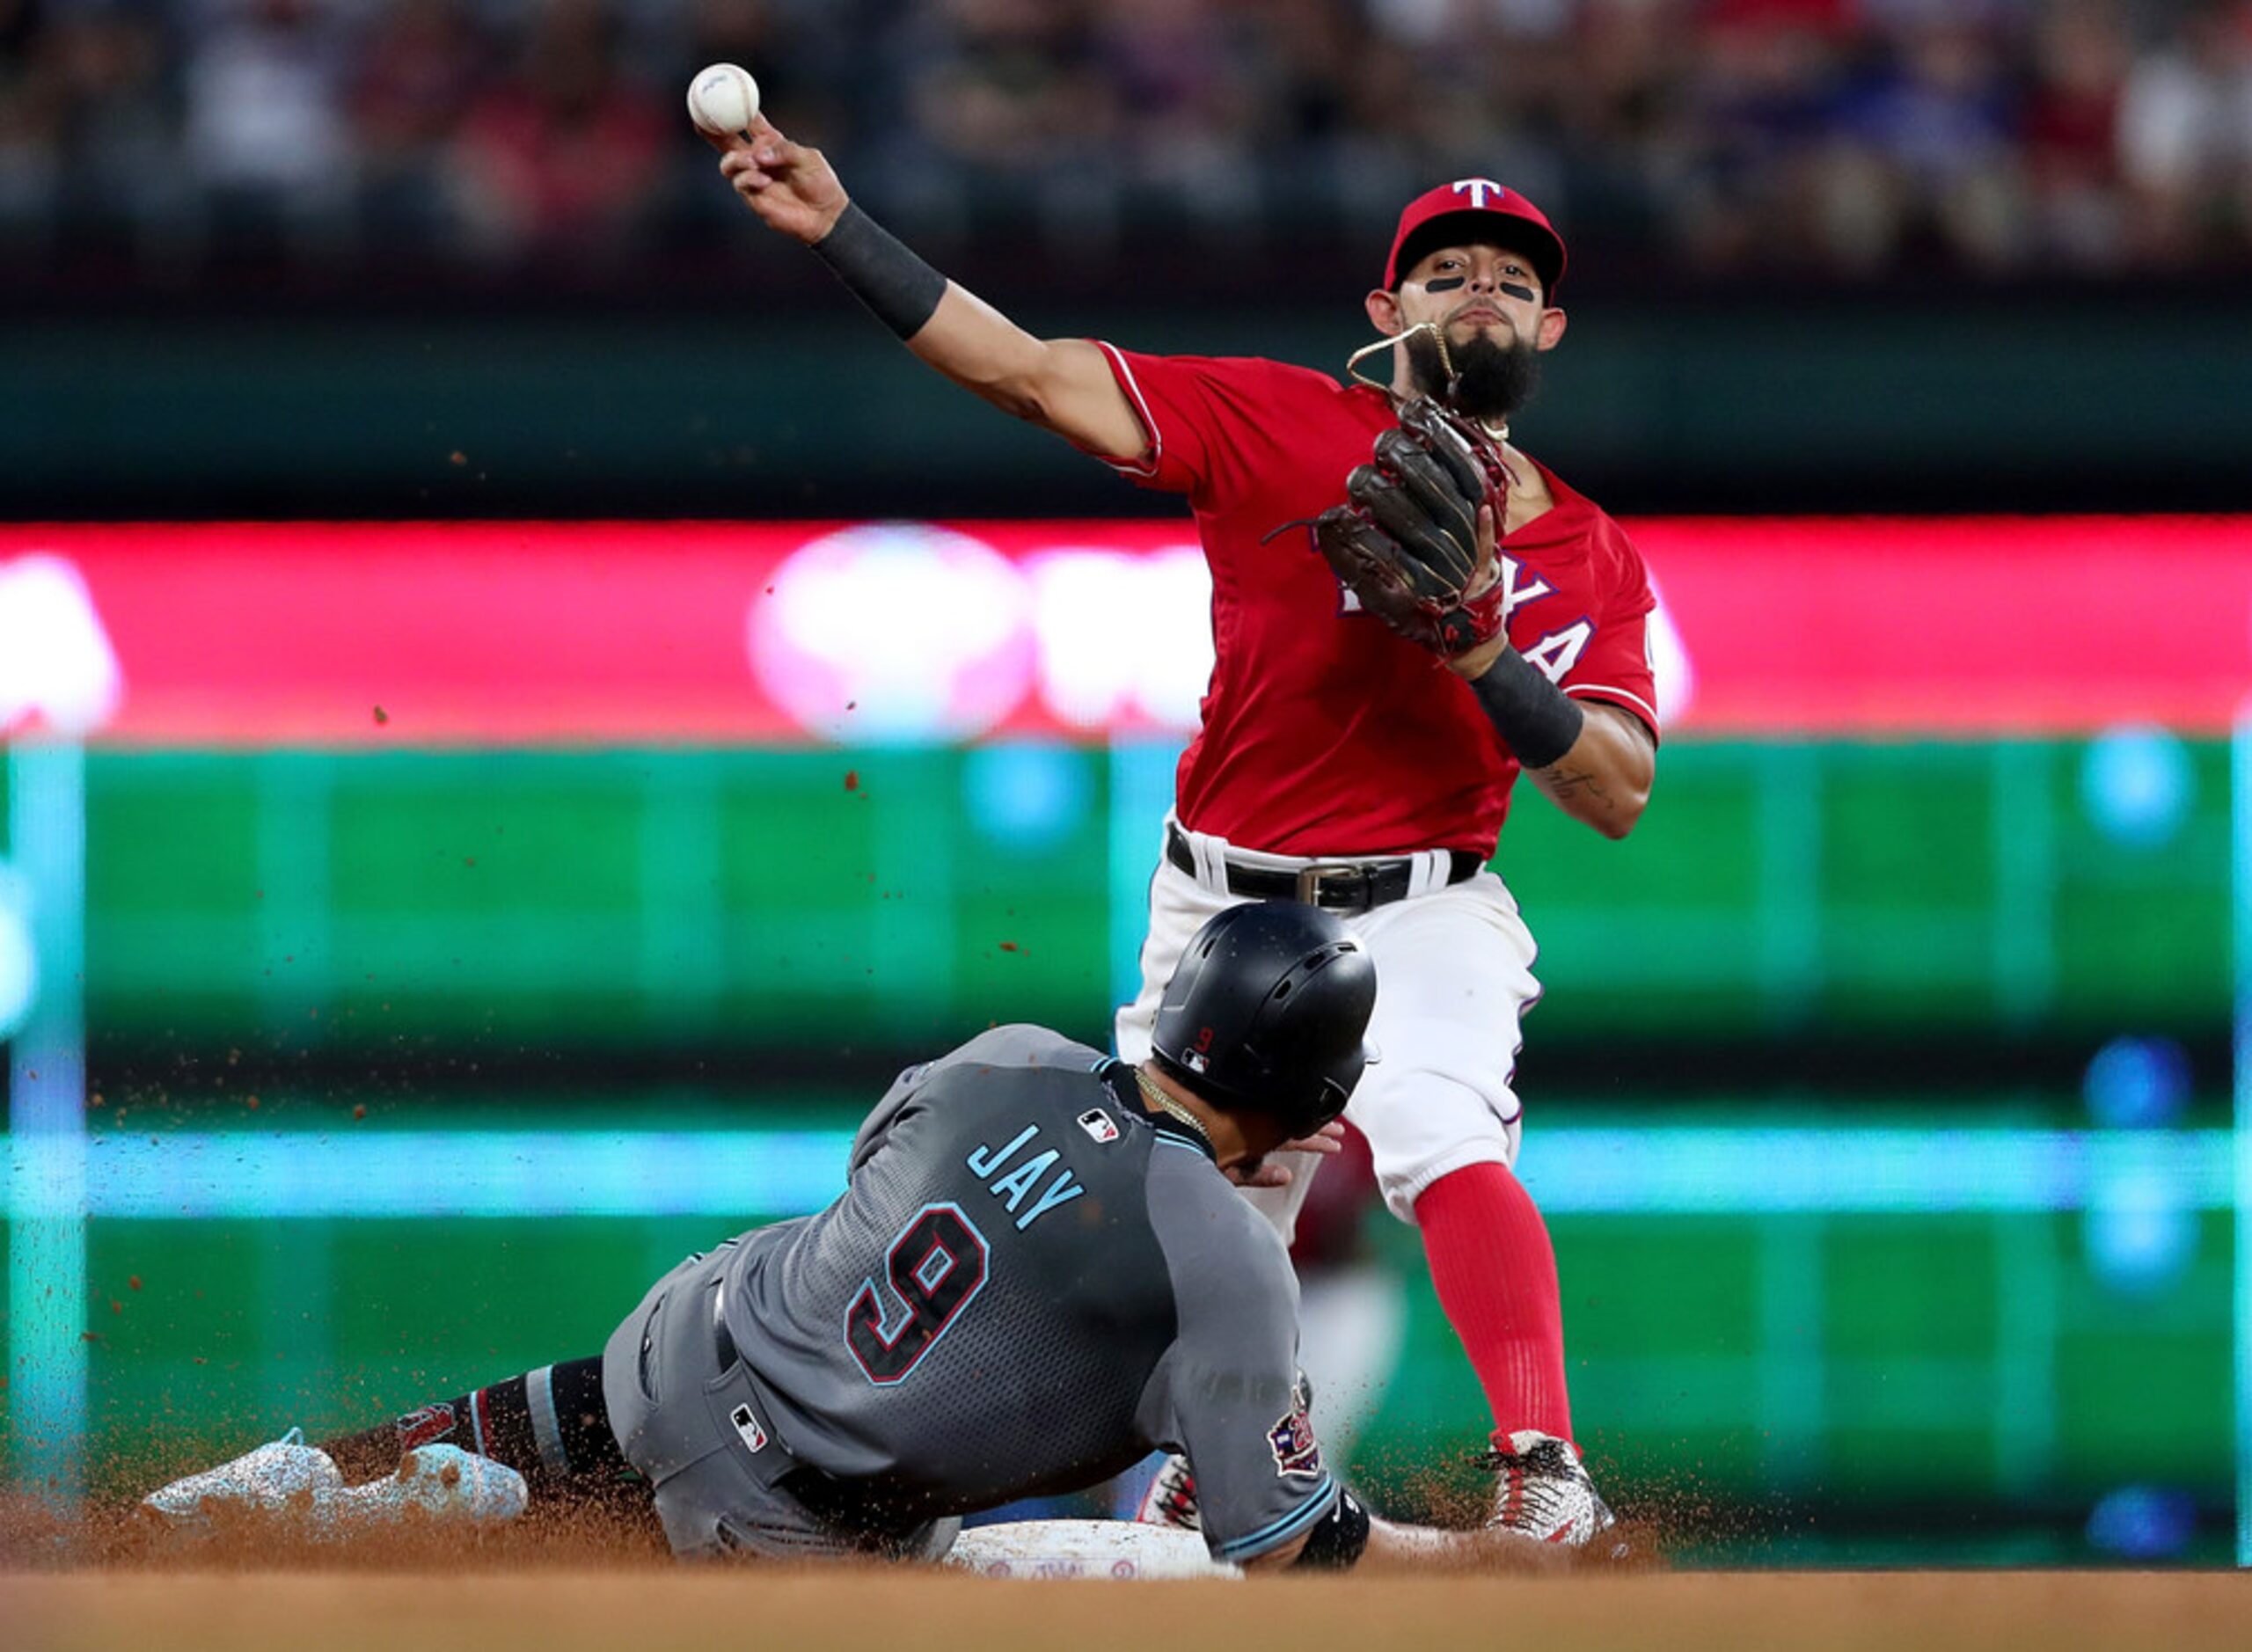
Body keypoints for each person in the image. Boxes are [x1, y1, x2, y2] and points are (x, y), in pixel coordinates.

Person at [703, 107, 1660, 1546]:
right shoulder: (1277, 419)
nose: (1484, 293)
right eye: (1451, 269)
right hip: (1219, 899)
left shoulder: (1581, 548)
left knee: (1428, 1119)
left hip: (1425, 898)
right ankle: (1198, 1465)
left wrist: (1479, 653)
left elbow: (1613, 786)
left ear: (1554, 325)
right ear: (1384, 311)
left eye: (1514, 280)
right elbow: (1028, 376)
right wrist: (842, 227)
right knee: (1167, 1204)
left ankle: (1542, 1467)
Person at [142, 902, 1571, 1574]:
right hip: (788, 1528)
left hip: (680, 1336)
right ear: (1322, 1106)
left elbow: (884, 1179)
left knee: (596, 1409)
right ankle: (461, 1518)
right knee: (1144, 1578)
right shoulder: (1233, 1262)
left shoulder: (1002, 1051)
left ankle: (308, 1479)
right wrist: (1478, 1564)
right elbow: (1279, 1540)